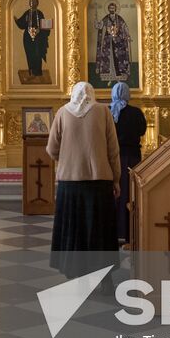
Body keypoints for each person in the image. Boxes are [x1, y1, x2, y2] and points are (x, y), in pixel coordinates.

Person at [47, 82, 120, 276]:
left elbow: (52, 148)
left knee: (73, 229)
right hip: (99, 183)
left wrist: (67, 160)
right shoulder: (103, 111)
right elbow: (113, 150)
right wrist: (116, 179)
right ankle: (104, 279)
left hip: (69, 184)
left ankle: (73, 273)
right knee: (101, 231)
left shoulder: (62, 113)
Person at [110, 82, 147, 243]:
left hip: (114, 157)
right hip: (133, 157)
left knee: (115, 193)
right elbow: (142, 130)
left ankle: (113, 230)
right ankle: (130, 230)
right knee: (130, 193)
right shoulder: (136, 112)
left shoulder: (109, 112)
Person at [15, 0, 50, 79]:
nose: (32, 4)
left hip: (38, 37)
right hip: (28, 37)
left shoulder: (39, 13)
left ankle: (38, 72)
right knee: (29, 54)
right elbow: (22, 25)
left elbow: (44, 24)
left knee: (37, 54)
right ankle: (31, 71)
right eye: (31, 2)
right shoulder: (27, 13)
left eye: (34, 2)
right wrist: (16, 20)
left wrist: (40, 29)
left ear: (37, 4)